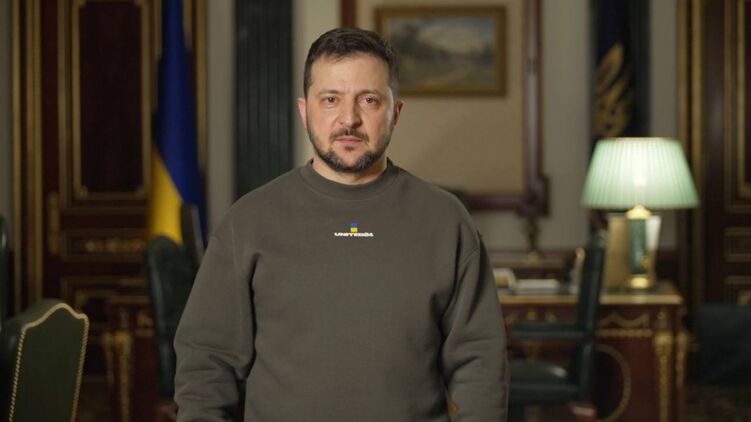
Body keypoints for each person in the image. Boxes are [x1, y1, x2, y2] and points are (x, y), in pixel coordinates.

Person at [174, 27, 508, 421]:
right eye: (330, 99)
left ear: (395, 112)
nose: (349, 119)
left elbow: (480, 365)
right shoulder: (248, 221)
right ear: (304, 111)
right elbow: (206, 364)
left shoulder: (446, 220)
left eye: (369, 100)